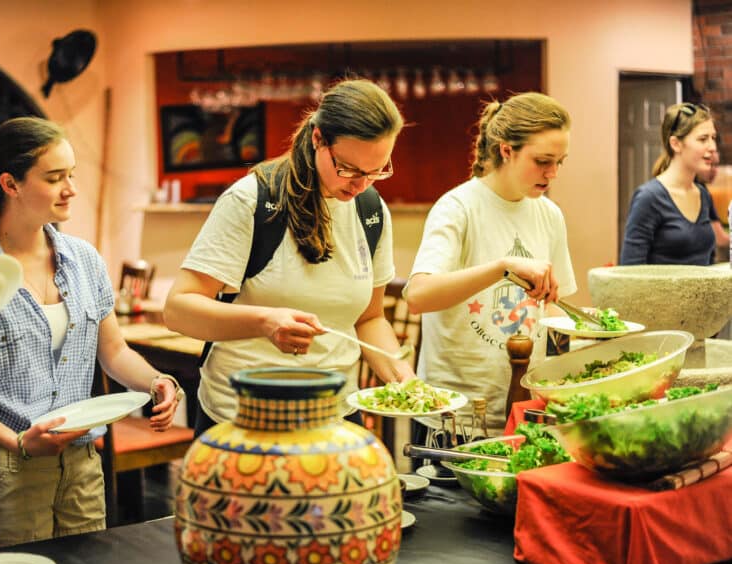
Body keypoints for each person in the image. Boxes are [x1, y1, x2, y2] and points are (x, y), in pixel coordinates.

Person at [0, 117, 182, 553]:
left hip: (83, 465)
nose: (71, 188)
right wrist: (18, 442)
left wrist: (155, 381)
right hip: (3, 469)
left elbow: (115, 351)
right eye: (54, 178)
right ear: (10, 184)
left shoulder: (84, 259)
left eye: (71, 175)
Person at [164, 79, 415, 437]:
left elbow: (369, 318)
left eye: (377, 170)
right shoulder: (252, 200)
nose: (361, 185)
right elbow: (178, 310)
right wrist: (265, 322)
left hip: (334, 414)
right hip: (244, 417)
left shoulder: (371, 211)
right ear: (318, 139)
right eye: (349, 169)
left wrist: (398, 370)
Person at [405, 92, 577, 431]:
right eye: (543, 161)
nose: (553, 173)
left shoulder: (549, 214)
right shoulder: (458, 208)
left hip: (524, 411)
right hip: (454, 417)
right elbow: (418, 296)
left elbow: (553, 309)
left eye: (560, 161)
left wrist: (584, 344)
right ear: (506, 150)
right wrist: (502, 268)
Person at [620, 103, 720, 265]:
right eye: (703, 139)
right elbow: (630, 271)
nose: (712, 147)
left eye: (713, 138)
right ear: (676, 144)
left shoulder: (703, 195)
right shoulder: (649, 198)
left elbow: (709, 262)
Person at [695, 150, 730, 258]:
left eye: (716, 165)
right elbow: (720, 240)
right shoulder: (699, 192)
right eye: (709, 164)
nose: (714, 170)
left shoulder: (704, 191)